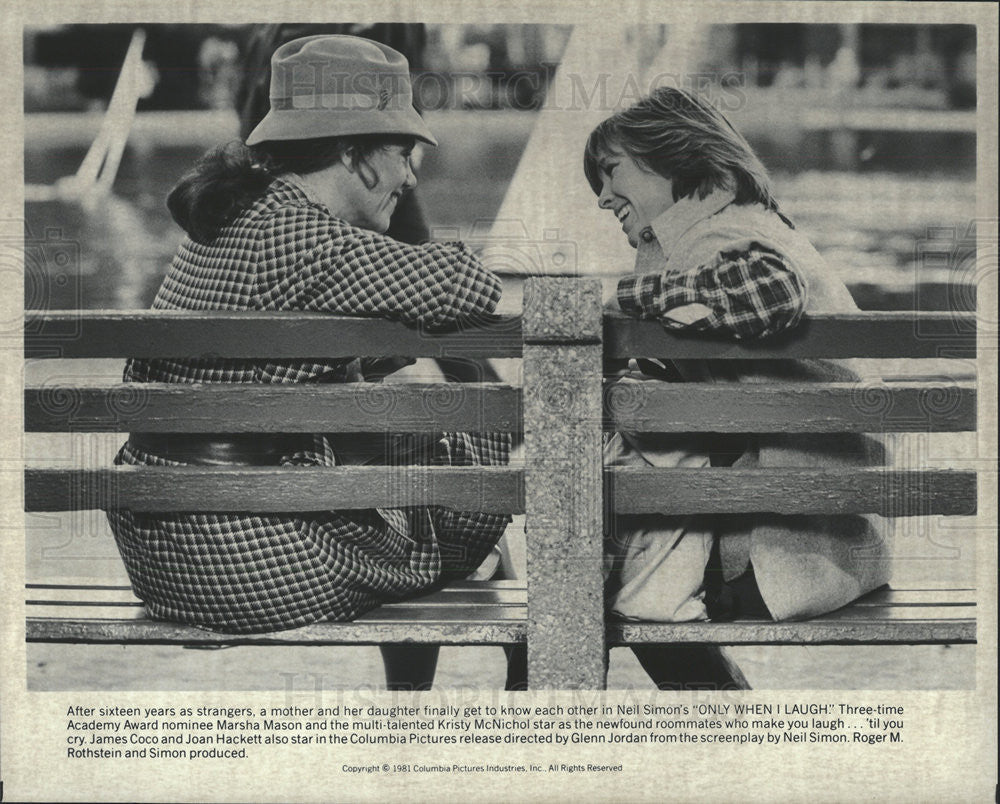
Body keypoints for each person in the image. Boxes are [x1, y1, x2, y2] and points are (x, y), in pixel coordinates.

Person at [105, 35, 511, 690]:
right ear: (351, 151)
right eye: (403, 155)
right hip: (241, 563)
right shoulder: (303, 237)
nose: (411, 179)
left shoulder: (238, 214)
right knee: (466, 465)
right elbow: (470, 286)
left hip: (163, 551)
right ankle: (481, 578)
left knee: (409, 433)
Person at [583, 86, 891, 689]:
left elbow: (769, 291)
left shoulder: (727, 234)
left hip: (782, 549)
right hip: (819, 534)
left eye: (612, 171)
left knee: (576, 584)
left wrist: (614, 302)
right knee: (583, 573)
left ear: (673, 156)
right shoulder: (717, 233)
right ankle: (740, 749)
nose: (601, 197)